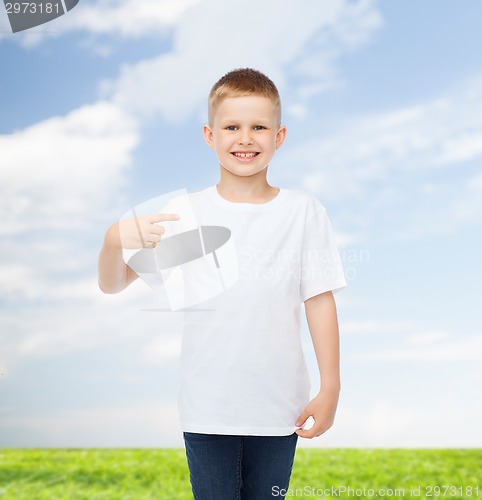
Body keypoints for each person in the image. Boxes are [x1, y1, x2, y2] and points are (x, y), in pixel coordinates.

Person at [98, 68, 346, 500]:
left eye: (259, 127)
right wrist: (111, 241)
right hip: (207, 410)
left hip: (279, 409)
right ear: (210, 135)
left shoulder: (303, 211)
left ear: (279, 136)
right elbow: (114, 284)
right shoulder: (184, 214)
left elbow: (319, 300)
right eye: (232, 127)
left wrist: (331, 386)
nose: (245, 138)